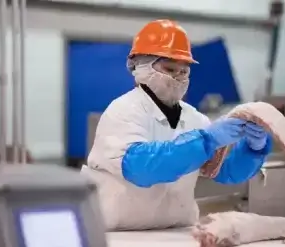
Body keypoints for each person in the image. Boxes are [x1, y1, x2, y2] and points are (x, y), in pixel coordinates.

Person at [81, 19, 272, 231]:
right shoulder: (123, 111)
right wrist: (206, 141)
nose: (178, 78)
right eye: (170, 69)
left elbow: (226, 172)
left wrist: (253, 149)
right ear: (141, 66)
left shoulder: (195, 119)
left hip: (176, 232)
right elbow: (141, 168)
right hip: (118, 233)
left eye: (184, 71)